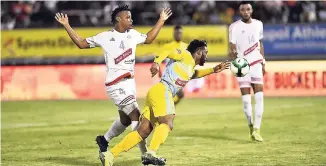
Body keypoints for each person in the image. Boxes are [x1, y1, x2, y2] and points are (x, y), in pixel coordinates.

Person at [54, 5, 172, 165]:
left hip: (130, 83)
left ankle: (104, 139)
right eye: (128, 17)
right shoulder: (105, 36)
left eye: (131, 17)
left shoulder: (133, 35)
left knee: (124, 121)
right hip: (116, 85)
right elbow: (81, 44)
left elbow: (149, 38)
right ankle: (146, 156)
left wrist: (161, 20)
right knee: (136, 117)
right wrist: (67, 25)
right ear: (118, 19)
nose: (131, 19)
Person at [102, 39, 230, 166]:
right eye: (205, 52)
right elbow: (167, 51)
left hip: (156, 92)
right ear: (198, 52)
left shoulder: (189, 66)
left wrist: (213, 69)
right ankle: (151, 153)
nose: (206, 56)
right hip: (163, 91)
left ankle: (110, 155)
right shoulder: (185, 55)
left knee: (143, 131)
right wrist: (156, 63)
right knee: (168, 122)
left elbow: (194, 74)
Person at [229, 1, 266, 142]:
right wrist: (236, 58)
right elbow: (232, 46)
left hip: (256, 63)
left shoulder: (259, 24)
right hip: (242, 66)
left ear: (252, 10)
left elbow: (260, 43)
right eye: (243, 10)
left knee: (259, 97)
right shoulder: (234, 27)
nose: (245, 12)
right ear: (239, 11)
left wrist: (264, 61)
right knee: (246, 101)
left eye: (248, 9)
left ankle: (257, 129)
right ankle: (251, 125)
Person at [157, 25, 188, 105]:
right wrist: (159, 70)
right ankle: (168, 109)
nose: (179, 35)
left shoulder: (186, 47)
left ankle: (168, 109)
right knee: (178, 94)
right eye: (177, 33)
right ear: (174, 34)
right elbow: (159, 59)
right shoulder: (168, 46)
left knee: (179, 95)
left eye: (180, 33)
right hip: (170, 75)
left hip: (179, 75)